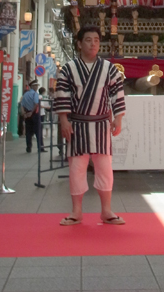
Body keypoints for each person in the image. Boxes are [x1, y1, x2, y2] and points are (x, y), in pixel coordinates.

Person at [54, 25, 126, 226]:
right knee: (77, 169)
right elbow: (62, 96)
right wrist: (64, 121)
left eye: (96, 40)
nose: (93, 44)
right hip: (77, 125)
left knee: (105, 169)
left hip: (101, 125)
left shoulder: (109, 68)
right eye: (88, 40)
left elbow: (117, 94)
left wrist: (118, 118)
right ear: (79, 43)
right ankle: (76, 211)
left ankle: (106, 210)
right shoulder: (68, 69)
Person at [20, 80, 42, 153]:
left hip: (27, 114)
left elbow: (22, 105)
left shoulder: (25, 94)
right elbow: (36, 104)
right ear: (33, 86)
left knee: (28, 132)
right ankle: (39, 147)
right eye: (36, 86)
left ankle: (28, 147)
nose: (37, 87)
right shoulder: (35, 94)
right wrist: (31, 112)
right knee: (38, 131)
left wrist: (24, 113)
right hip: (34, 114)